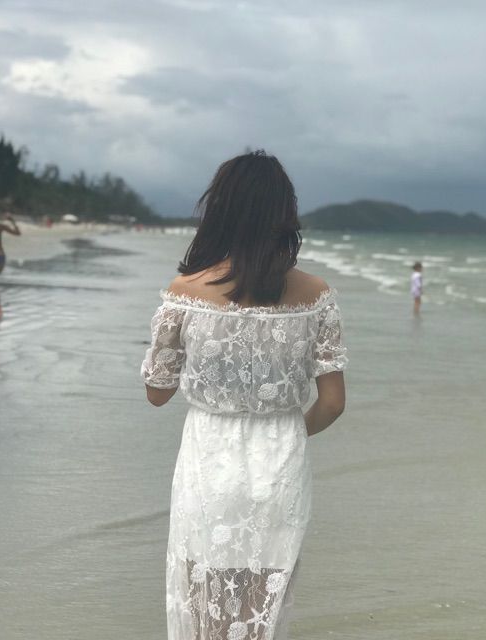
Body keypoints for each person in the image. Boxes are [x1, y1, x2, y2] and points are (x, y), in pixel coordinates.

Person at [140, 150, 348, 640]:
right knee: (261, 609)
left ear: (220, 209)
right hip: (280, 462)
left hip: (208, 461)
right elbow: (333, 403)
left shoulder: (186, 292)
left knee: (203, 603)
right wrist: (289, 431)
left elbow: (157, 393)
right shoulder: (316, 295)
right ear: (284, 215)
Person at [0, 213, 21, 321]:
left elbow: (18, 234)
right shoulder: (1, 226)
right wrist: (12, 221)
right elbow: (18, 233)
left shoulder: (0, 226)